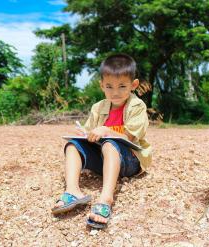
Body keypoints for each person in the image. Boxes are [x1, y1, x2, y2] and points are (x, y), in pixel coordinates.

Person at [51, 54, 152, 229]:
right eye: (109, 86)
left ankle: (106, 198)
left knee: (109, 143)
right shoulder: (98, 107)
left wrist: (106, 130)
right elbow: (90, 132)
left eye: (122, 86)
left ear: (133, 85)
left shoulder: (137, 106)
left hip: (130, 161)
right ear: (101, 86)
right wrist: (84, 134)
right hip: (106, 159)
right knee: (72, 146)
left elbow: (129, 138)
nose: (115, 92)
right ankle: (72, 190)